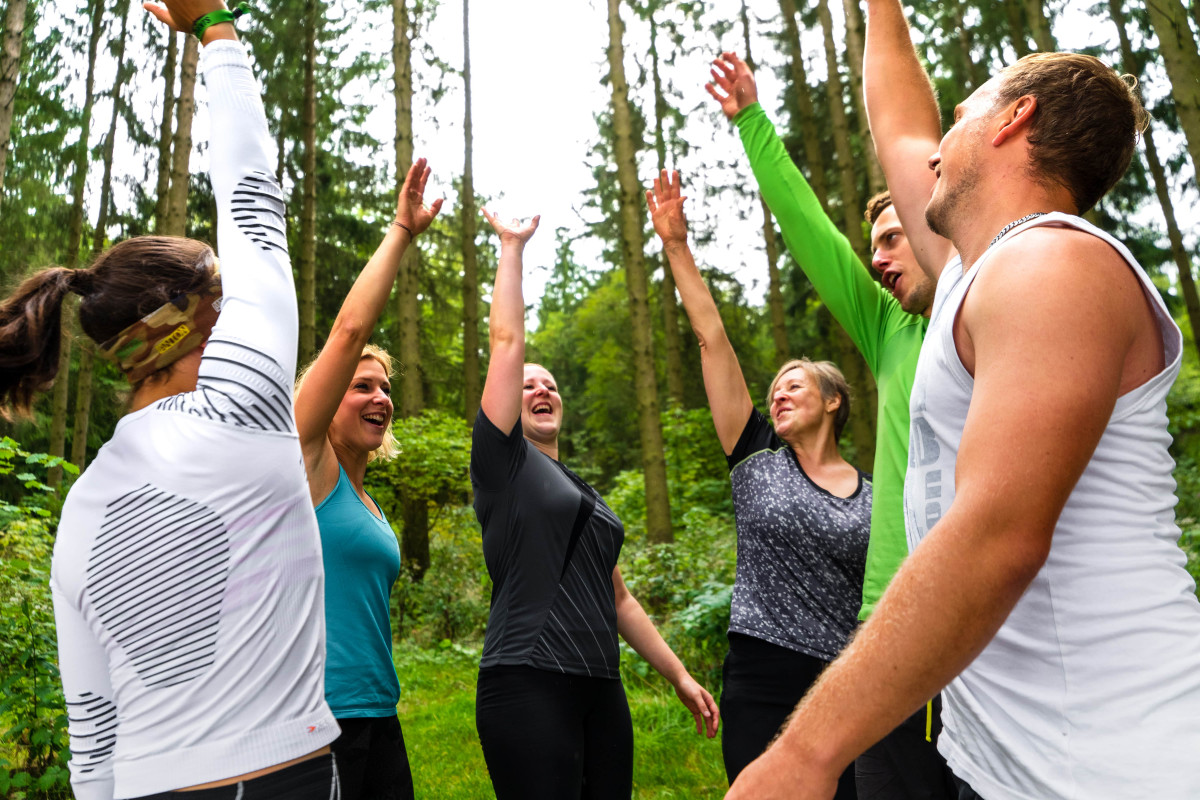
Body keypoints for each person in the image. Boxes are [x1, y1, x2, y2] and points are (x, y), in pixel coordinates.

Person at [724, 1, 1200, 798]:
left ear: (1016, 119)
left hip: (1123, 761)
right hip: (1013, 765)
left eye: (962, 115)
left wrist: (804, 754)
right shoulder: (974, 276)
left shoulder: (1055, 264)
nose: (934, 146)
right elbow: (898, 121)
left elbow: (996, 538)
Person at [0, 2, 340, 797]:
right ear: (200, 317)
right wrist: (213, 24)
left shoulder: (82, 507)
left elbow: (92, 735)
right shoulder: (246, 401)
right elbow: (254, 196)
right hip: (275, 778)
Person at [706, 53, 953, 799]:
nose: (876, 259)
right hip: (894, 625)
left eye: (891, 237)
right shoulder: (889, 329)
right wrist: (751, 121)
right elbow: (809, 230)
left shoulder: (991, 307)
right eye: (872, 244)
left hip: (992, 619)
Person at [470, 208, 719, 799]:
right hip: (528, 678)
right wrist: (512, 249)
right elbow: (506, 343)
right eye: (528, 384)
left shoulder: (582, 491)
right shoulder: (503, 465)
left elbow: (618, 596)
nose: (541, 389)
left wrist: (679, 676)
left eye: (551, 384)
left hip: (599, 684)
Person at [646, 170, 869, 796]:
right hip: (762, 675)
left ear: (833, 402)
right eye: (774, 388)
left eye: (795, 383)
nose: (778, 390)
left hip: (844, 683)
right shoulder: (756, 458)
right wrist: (676, 245)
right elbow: (711, 340)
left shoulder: (877, 493)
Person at [292, 158, 443, 800]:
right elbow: (349, 332)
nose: (380, 397)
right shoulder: (309, 467)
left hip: (379, 713)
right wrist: (401, 232)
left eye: (385, 388)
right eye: (362, 386)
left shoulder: (368, 502)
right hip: (316, 719)